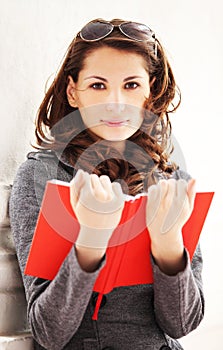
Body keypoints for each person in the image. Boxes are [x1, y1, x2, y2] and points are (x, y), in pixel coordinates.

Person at [9, 18, 204, 350]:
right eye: (98, 85)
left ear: (151, 91)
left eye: (131, 85)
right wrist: (91, 242)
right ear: (73, 92)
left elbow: (182, 324)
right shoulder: (40, 178)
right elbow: (49, 333)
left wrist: (169, 248)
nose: (116, 102)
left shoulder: (173, 182)